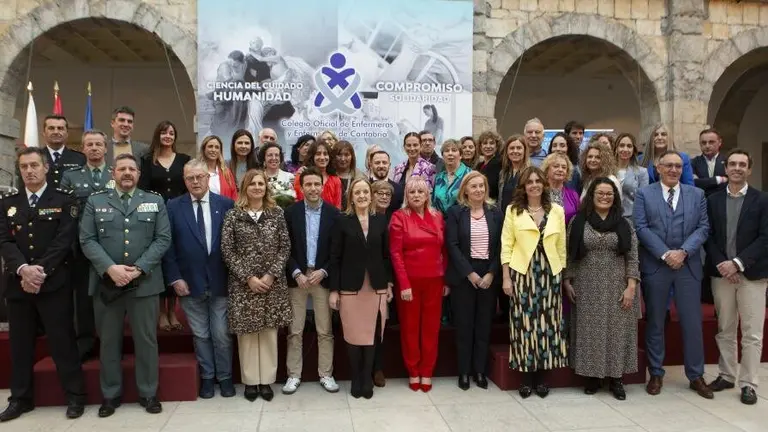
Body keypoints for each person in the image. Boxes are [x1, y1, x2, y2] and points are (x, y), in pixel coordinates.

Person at [80, 153, 172, 417]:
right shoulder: (95, 202)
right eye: (122, 169)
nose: (127, 173)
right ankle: (110, 395)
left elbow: (163, 239)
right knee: (109, 341)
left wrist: (138, 269)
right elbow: (87, 239)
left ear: (139, 174)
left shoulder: (154, 201)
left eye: (132, 169)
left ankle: (148, 392)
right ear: (113, 172)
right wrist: (110, 268)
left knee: (146, 340)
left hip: (144, 283)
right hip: (107, 284)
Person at [0, 147, 86, 422]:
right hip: (18, 285)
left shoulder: (64, 200)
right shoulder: (7, 202)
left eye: (34, 165)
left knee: (62, 342)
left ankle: (74, 396)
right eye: (24, 166)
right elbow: (4, 241)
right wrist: (24, 270)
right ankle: (20, 399)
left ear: (46, 167)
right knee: (20, 346)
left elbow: (64, 240)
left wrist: (40, 272)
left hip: (54, 284)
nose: (29, 171)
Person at [633, 150, 712, 399]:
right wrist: (666, 254)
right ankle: (656, 373)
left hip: (687, 266)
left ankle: (696, 375)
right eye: (668, 165)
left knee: (692, 323)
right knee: (656, 321)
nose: (674, 170)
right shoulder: (645, 193)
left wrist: (683, 252)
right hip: (657, 266)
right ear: (658, 167)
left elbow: (703, 227)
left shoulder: (696, 194)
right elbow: (641, 227)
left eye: (678, 166)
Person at [162, 159, 236, 399]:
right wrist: (174, 279)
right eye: (190, 178)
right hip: (188, 283)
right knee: (202, 335)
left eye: (199, 177)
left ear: (208, 178)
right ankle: (206, 377)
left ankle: (224, 377)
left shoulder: (226, 205)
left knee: (222, 334)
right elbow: (168, 246)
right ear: (184, 180)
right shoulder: (173, 207)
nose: (195, 182)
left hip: (220, 282)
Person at [564, 178, 640, 400]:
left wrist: (631, 285)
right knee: (590, 331)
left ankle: (616, 378)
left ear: (615, 197)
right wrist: (567, 280)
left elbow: (633, 256)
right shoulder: (579, 222)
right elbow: (571, 254)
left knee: (616, 332)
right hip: (586, 285)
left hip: (617, 284)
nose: (605, 197)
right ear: (592, 195)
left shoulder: (624, 224)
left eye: (609, 193)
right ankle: (592, 377)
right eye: (600, 193)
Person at [221, 169, 292, 402]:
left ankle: (267, 382)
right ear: (244, 188)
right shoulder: (233, 215)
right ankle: (251, 383)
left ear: (266, 187)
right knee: (248, 335)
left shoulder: (277, 213)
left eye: (261, 183)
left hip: (272, 284)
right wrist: (248, 277)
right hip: (244, 286)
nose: (257, 187)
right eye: (252, 184)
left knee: (269, 334)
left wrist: (271, 275)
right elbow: (227, 250)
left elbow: (285, 247)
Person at [704, 149, 768, 406]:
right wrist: (723, 263)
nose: (737, 168)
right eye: (733, 164)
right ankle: (727, 375)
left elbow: (765, 238)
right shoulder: (714, 200)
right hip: (721, 274)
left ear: (749, 169)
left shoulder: (763, 200)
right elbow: (708, 235)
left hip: (752, 274)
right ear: (726, 169)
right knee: (725, 328)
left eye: (742, 164)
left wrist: (738, 264)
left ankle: (749, 383)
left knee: (752, 332)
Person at [500, 166, 567, 399]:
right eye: (530, 182)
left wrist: (561, 274)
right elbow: (506, 245)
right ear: (523, 186)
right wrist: (506, 277)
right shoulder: (513, 210)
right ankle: (526, 378)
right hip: (522, 272)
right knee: (524, 325)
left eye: (538, 181)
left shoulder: (557, 211)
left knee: (548, 326)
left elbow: (561, 246)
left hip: (549, 272)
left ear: (544, 185)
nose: (535, 185)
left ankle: (542, 378)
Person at [329, 178, 393, 399]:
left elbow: (386, 257)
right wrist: (334, 290)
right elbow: (334, 258)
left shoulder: (381, 220)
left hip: (376, 287)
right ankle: (356, 377)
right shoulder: (342, 221)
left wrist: (389, 284)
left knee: (372, 335)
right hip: (350, 288)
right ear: (351, 196)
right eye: (358, 192)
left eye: (366, 191)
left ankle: (367, 377)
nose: (363, 195)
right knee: (354, 335)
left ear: (371, 195)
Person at [283, 167, 341, 394]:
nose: (313, 188)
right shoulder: (291, 213)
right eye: (308, 184)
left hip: (321, 278)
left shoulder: (334, 214)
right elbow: (284, 247)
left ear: (322, 186)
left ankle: (326, 374)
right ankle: (293, 375)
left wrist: (324, 271)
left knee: (324, 330)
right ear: (301, 187)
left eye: (317, 184)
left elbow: (336, 252)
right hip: (298, 279)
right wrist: (296, 272)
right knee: (295, 330)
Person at [389, 177, 448, 392]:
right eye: (412, 192)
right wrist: (403, 284)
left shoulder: (438, 216)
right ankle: (413, 370)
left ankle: (427, 371)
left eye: (420, 192)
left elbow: (445, 250)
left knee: (431, 329)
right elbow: (395, 253)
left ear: (427, 195)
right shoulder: (399, 217)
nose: (416, 195)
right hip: (410, 282)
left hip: (435, 280)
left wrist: (446, 279)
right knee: (410, 329)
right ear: (406, 195)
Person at [445, 172, 502, 391]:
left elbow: (501, 247)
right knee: (464, 326)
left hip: (488, 274)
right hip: (464, 275)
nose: (478, 190)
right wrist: (470, 274)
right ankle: (464, 372)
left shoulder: (495, 213)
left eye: (482, 186)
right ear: (465, 190)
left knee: (483, 326)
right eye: (474, 186)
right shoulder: (455, 212)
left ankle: (480, 371)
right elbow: (452, 245)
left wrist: (490, 274)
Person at [60, 130, 113, 361]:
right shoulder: (70, 176)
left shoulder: (115, 174)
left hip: (111, 246)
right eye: (89, 144)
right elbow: (66, 213)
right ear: (83, 149)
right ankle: (85, 342)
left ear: (105, 148)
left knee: (111, 296)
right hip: (80, 247)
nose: (94, 148)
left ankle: (111, 343)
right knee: (82, 298)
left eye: (98, 144)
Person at [139, 120, 192, 332]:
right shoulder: (146, 160)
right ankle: (162, 312)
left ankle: (173, 311)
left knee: (176, 260)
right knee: (160, 262)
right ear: (158, 136)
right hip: (155, 217)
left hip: (180, 215)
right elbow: (143, 190)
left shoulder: (184, 159)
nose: (168, 136)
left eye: (171, 133)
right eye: (164, 133)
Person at [35, 115, 86, 188]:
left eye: (60, 128)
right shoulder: (36, 156)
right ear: (43, 133)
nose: (56, 132)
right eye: (51, 128)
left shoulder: (80, 158)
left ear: (67, 133)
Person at [292, 141, 342, 209]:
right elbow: (297, 201)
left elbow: (337, 207)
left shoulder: (335, 180)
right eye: (318, 154)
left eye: (325, 154)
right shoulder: (302, 176)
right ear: (312, 156)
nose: (322, 157)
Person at [613, 133, 649, 221]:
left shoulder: (642, 172)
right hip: (610, 216)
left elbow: (643, 200)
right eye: (621, 145)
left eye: (629, 146)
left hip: (632, 218)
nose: (625, 149)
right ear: (616, 149)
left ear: (633, 150)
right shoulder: (607, 171)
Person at [432, 139, 471, 214]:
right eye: (446, 151)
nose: (450, 153)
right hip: (441, 223)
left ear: (461, 155)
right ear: (443, 156)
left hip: (462, 221)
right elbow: (433, 203)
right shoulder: (439, 177)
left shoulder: (469, 175)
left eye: (454, 150)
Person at [541, 152, 579, 223]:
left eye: (564, 167)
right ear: (547, 170)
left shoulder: (573, 195)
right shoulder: (539, 193)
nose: (560, 170)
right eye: (556, 166)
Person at [199, 135, 238, 200]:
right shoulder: (197, 171)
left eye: (217, 147)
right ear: (204, 149)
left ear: (220, 151)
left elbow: (234, 195)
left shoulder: (226, 172)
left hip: (225, 209)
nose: (213, 150)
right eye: (210, 146)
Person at [498, 134, 530, 212]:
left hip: (522, 217)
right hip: (504, 218)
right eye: (512, 148)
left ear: (524, 151)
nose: (515, 151)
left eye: (519, 148)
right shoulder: (503, 173)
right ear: (507, 151)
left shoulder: (530, 173)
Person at [692, 128, 728, 197]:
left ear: (720, 142)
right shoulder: (693, 162)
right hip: (702, 202)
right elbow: (695, 183)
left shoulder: (728, 161)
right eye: (704, 143)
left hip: (722, 201)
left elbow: (730, 182)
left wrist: (703, 182)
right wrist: (718, 179)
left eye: (711, 142)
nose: (707, 146)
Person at [259, 143, 296, 207]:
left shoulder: (290, 177)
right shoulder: (259, 177)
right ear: (264, 158)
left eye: (277, 155)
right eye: (270, 155)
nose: (274, 158)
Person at [369, 150, 404, 215]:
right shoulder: (365, 188)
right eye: (377, 163)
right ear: (371, 165)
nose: (381, 166)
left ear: (389, 165)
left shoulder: (399, 190)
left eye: (384, 162)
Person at [334, 140, 365, 209]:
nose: (343, 159)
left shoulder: (360, 177)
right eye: (339, 155)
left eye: (346, 155)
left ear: (352, 157)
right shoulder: (329, 175)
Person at [475, 131, 503, 201]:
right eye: (485, 143)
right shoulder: (479, 166)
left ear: (496, 146)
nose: (488, 146)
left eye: (491, 143)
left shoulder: (500, 163)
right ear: (480, 146)